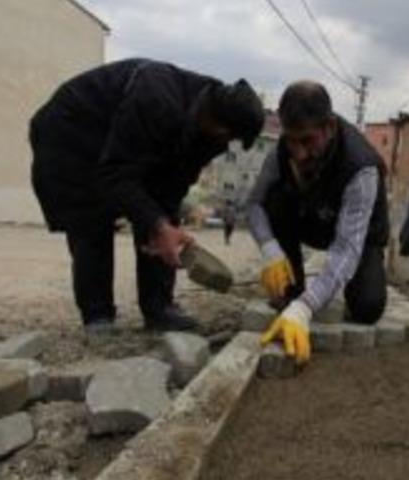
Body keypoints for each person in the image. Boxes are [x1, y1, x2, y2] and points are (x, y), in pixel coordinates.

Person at [29, 58, 264, 331]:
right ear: (217, 120)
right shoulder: (157, 98)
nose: (227, 141)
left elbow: (170, 190)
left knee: (159, 216)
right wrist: (157, 223)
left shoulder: (210, 133)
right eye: (228, 134)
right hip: (72, 132)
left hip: (120, 138)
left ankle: (159, 308)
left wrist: (161, 226)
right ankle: (98, 316)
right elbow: (115, 173)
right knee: (91, 218)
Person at [246, 80, 389, 364]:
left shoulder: (361, 167)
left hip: (359, 237)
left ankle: (309, 299)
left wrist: (306, 309)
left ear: (330, 127)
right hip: (312, 219)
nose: (298, 153)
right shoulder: (283, 153)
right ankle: (293, 286)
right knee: (275, 200)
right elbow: (254, 204)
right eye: (291, 140)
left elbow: (346, 249)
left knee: (368, 308)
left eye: (307, 141)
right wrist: (269, 249)